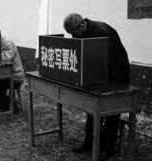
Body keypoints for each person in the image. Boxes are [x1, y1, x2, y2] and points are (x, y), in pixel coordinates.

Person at [63, 13, 130, 160]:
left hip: (116, 75)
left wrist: (106, 83)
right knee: (92, 112)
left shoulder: (103, 32)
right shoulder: (81, 32)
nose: (75, 37)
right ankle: (88, 145)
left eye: (75, 34)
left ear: (82, 25)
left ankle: (107, 149)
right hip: (97, 75)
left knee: (111, 114)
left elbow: (113, 61)